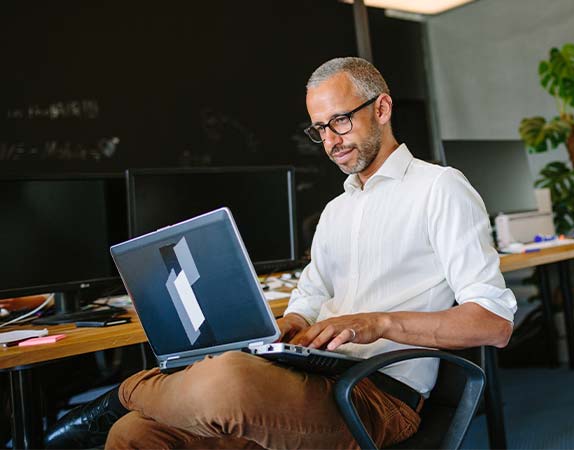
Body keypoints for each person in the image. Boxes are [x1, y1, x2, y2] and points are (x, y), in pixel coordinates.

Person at [45, 57, 517, 449]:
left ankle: (123, 393)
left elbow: (493, 323)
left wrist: (380, 322)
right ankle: (128, 405)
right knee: (137, 434)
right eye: (319, 129)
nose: (331, 140)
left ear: (383, 108)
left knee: (221, 381)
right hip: (313, 375)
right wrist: (287, 328)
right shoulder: (337, 210)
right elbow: (309, 297)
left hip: (377, 394)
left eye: (341, 120)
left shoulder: (440, 189)